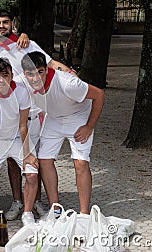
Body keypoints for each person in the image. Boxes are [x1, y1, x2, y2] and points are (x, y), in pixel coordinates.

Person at [0, 9, 75, 220]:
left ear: (12, 23)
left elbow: (50, 64)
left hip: (34, 113)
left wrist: (70, 73)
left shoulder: (26, 45)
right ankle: (18, 201)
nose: (1, 26)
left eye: (5, 22)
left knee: (37, 160)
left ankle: (37, 201)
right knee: (12, 161)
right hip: (7, 115)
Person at [20, 51, 105, 216]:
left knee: (80, 163)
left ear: (46, 69)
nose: (35, 78)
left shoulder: (68, 83)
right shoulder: (22, 82)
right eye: (30, 74)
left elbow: (100, 95)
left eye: (40, 72)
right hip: (53, 118)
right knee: (44, 160)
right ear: (24, 74)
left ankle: (84, 213)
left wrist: (89, 126)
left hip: (78, 116)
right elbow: (3, 83)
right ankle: (55, 208)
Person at [0, 58, 40, 235]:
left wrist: (27, 153)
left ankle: (27, 214)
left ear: (12, 75)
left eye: (5, 75)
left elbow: (23, 125)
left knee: (32, 174)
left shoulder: (20, 92)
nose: (1, 80)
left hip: (18, 139)